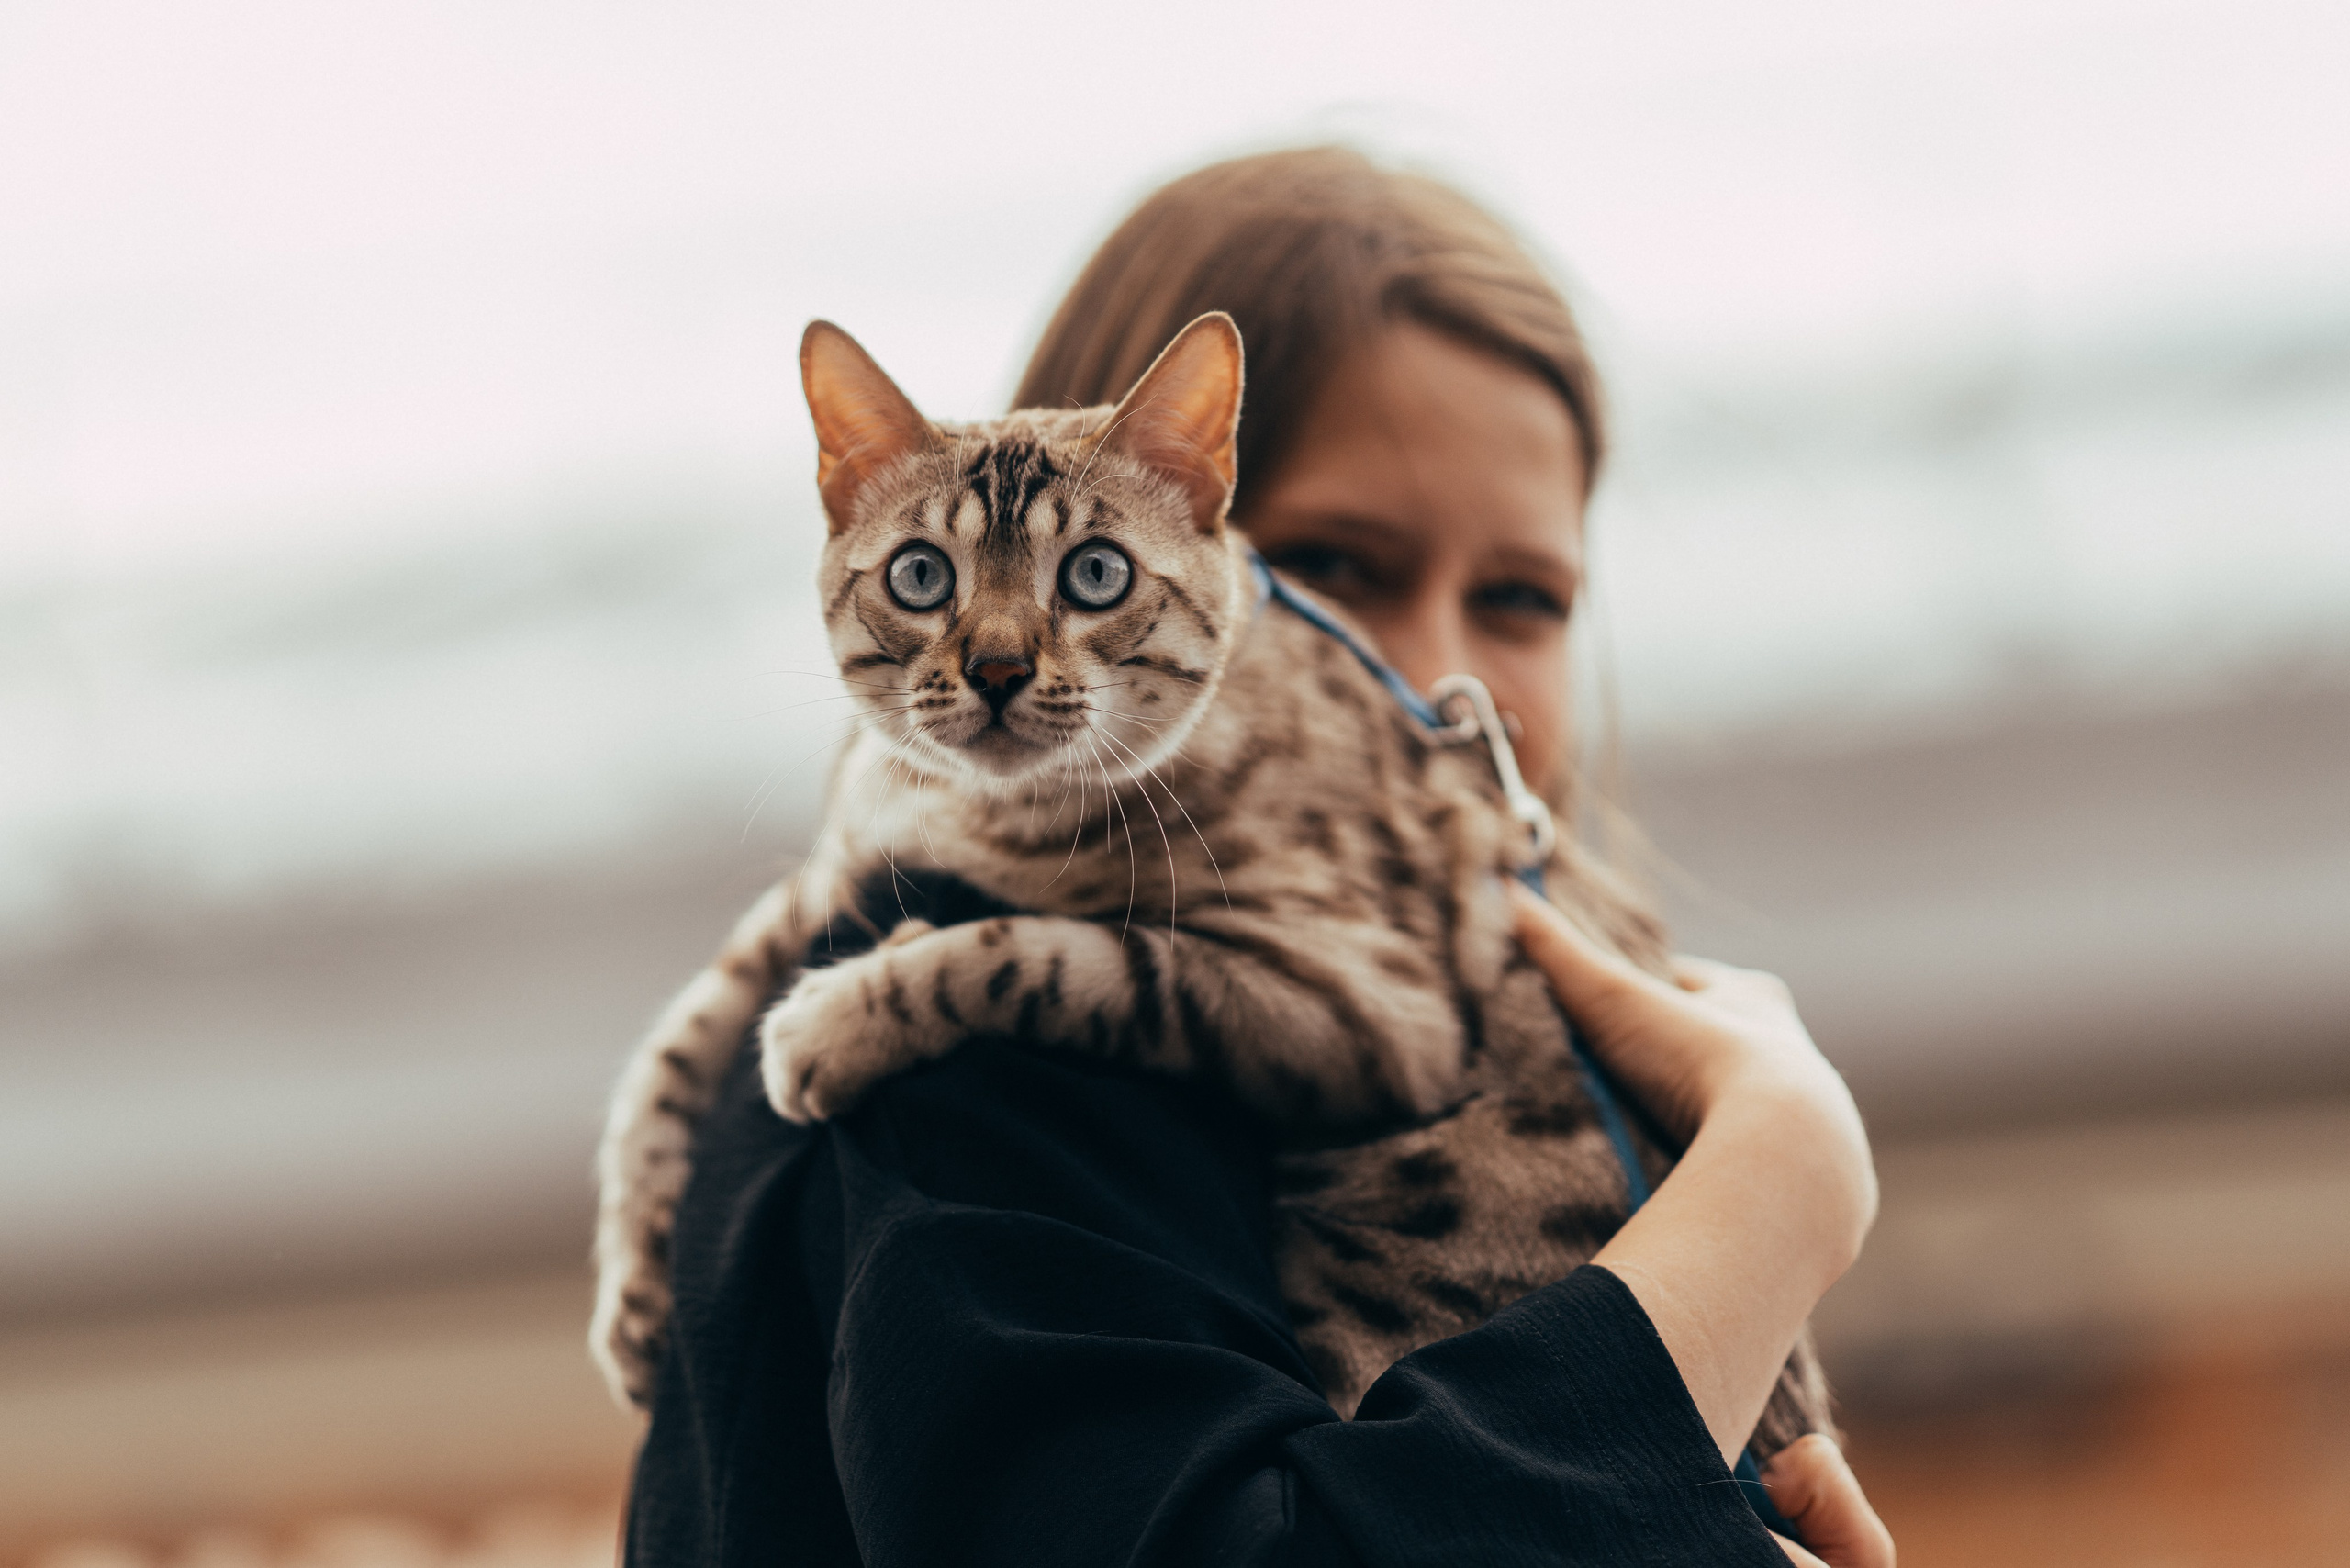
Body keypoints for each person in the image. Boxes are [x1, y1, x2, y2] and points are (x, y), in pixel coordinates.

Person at [621, 148, 1893, 1567]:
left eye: (1522, 597)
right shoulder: (962, 1065)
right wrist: (1776, 1194)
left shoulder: (1465, 953)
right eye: (1338, 570)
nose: (1439, 678)